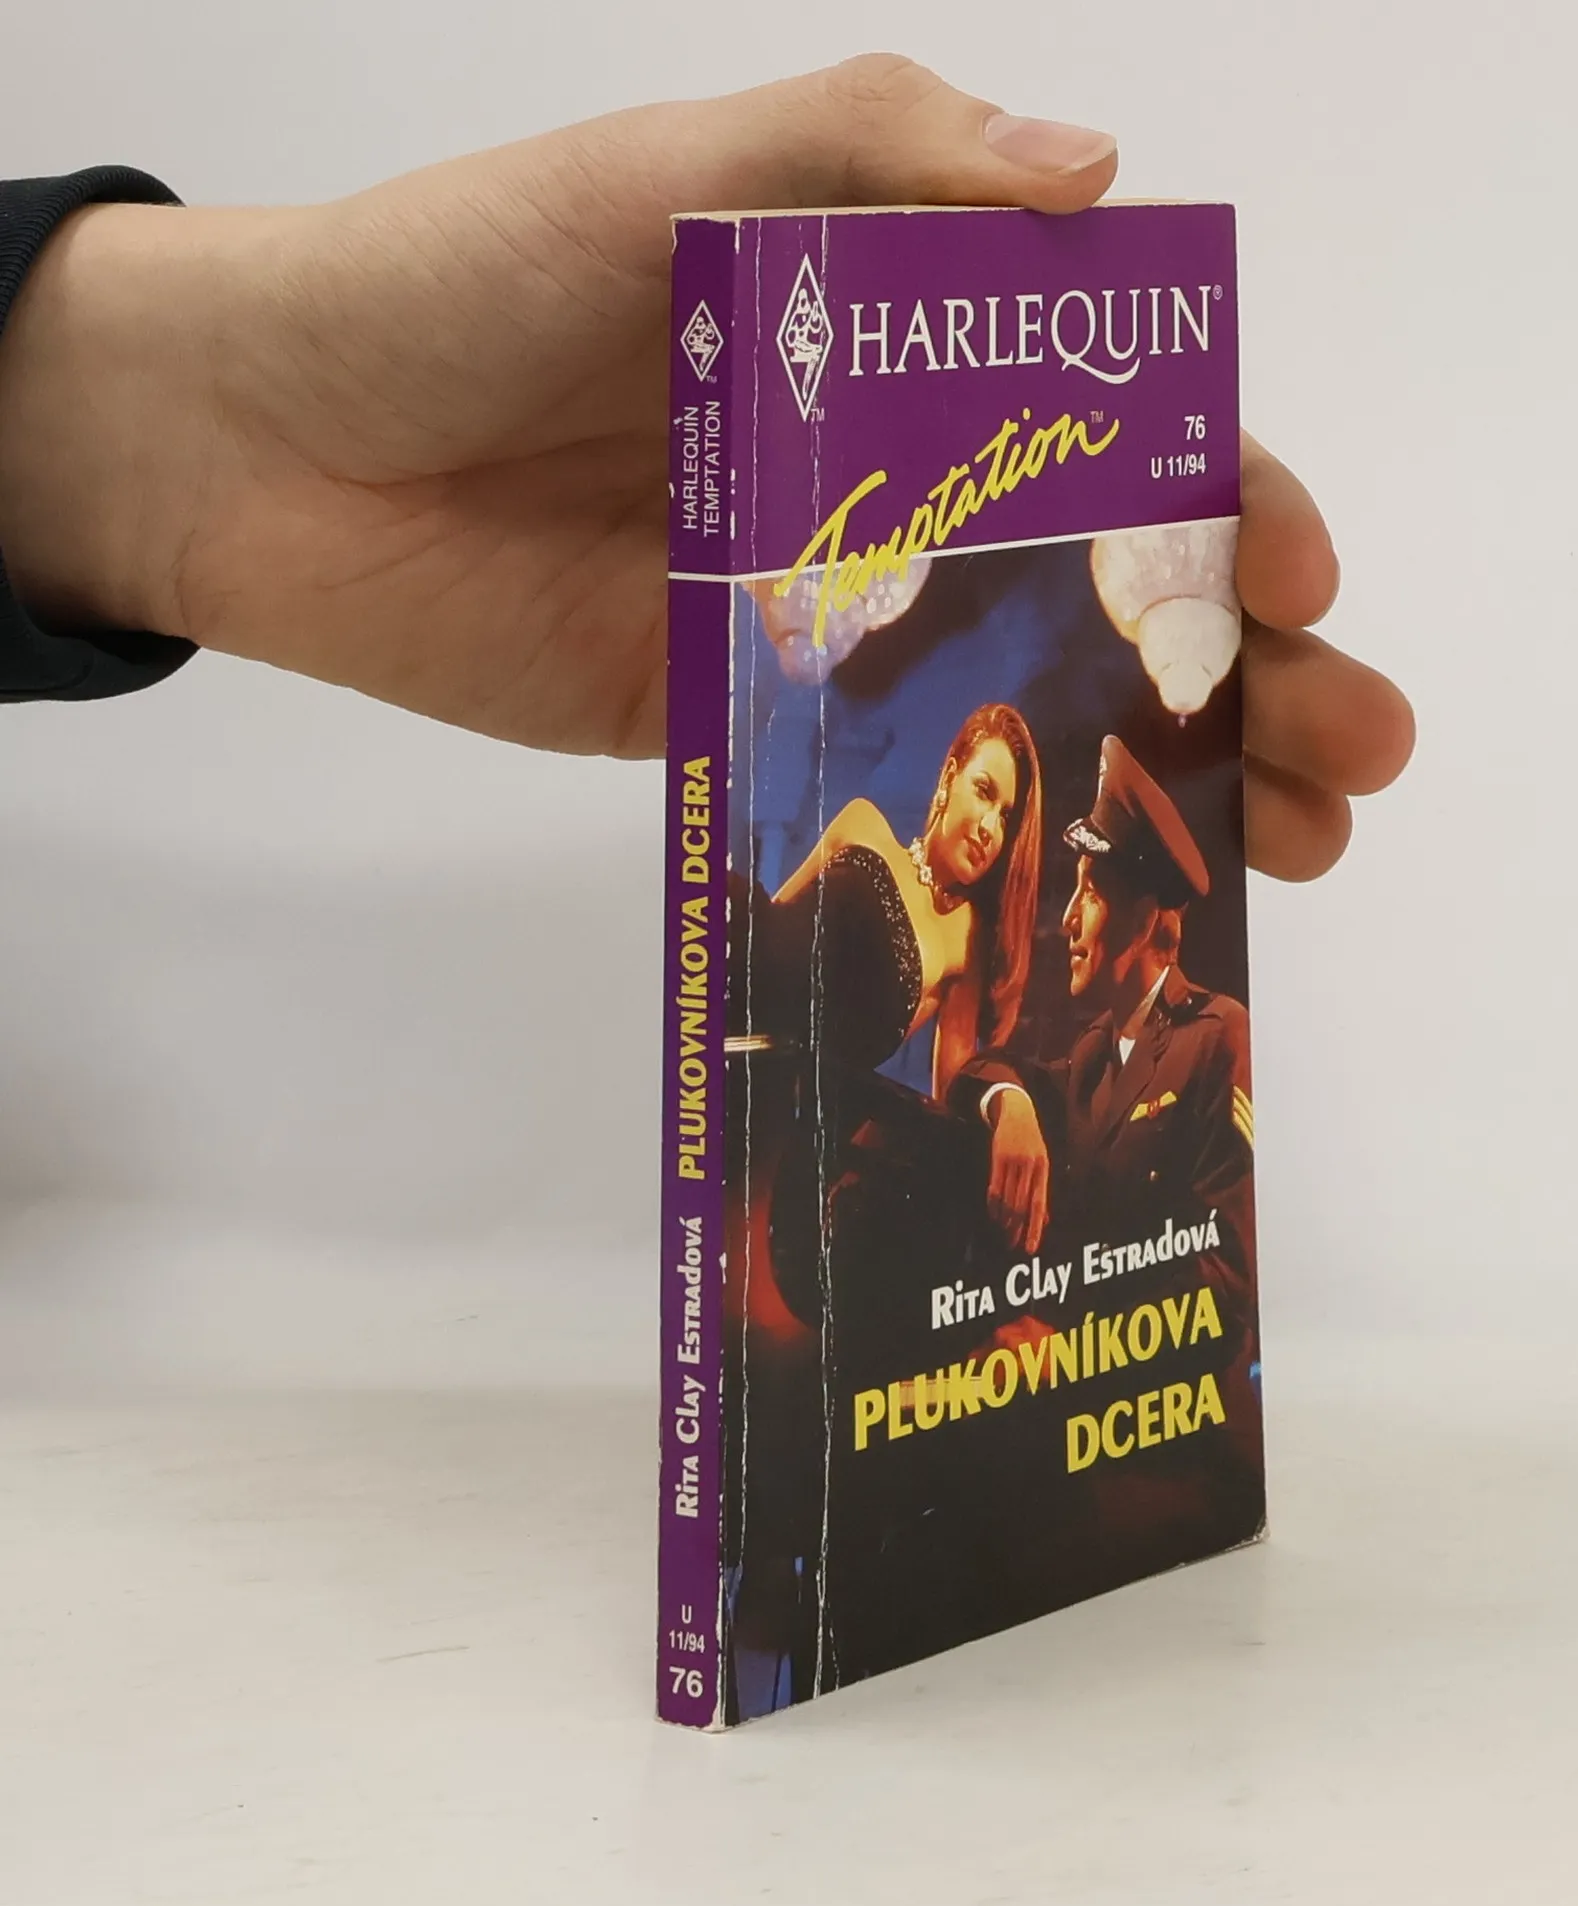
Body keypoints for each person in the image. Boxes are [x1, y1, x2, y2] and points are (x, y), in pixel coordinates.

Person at [0, 57, 1414, 882]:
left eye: (1002, 803)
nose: (986, 822)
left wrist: (175, 413)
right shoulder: (860, 852)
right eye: (985, 793)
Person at [945, 735, 1264, 1593]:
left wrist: (1066, 1348)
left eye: (1090, 891)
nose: (1067, 921)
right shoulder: (1090, 1058)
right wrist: (1009, 1106)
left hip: (1179, 1451)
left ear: (1151, 915)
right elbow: (981, 1071)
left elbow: (1227, 1281)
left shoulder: (1217, 1037)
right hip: (1081, 1426)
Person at [729, 702, 1042, 1095]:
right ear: (950, 778)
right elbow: (773, 921)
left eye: (1006, 817)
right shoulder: (861, 822)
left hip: (779, 1091)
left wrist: (1006, 1100)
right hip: (726, 967)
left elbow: (952, 1094)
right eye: (984, 791)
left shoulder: (964, 941)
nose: (989, 828)